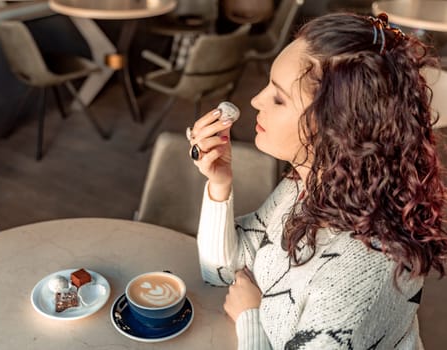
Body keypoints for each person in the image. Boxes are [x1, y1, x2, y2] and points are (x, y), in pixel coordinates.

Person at [188, 12, 447, 349]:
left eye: (279, 98)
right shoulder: (310, 184)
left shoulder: (361, 273)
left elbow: (240, 291)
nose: (255, 101)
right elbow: (222, 271)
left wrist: (251, 317)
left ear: (339, 129)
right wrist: (219, 185)